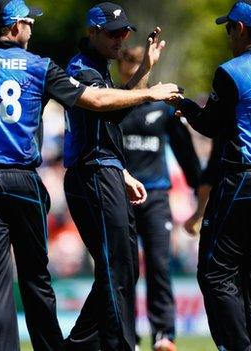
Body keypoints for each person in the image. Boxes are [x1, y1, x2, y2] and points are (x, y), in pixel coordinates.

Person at [0, 1, 180, 350]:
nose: (33, 29)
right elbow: (92, 101)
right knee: (36, 278)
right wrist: (149, 90)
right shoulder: (39, 66)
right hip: (23, 179)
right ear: (15, 26)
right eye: (29, 22)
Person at [170, 1, 251, 349]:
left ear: (239, 29)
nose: (228, 36)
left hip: (244, 179)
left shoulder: (231, 70)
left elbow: (210, 125)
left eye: (229, 28)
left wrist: (181, 104)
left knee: (214, 271)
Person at [61, 3, 168, 350]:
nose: (121, 39)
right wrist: (149, 91)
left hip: (106, 172)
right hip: (91, 174)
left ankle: (80, 344)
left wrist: (144, 72)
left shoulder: (101, 68)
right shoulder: (80, 67)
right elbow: (99, 103)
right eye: (113, 33)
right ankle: (115, 344)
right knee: (116, 267)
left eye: (124, 32)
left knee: (122, 268)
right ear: (92, 32)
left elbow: (112, 114)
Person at [118, 46, 202, 351]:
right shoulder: (114, 104)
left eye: (138, 60)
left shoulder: (164, 109)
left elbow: (186, 154)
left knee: (158, 266)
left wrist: (201, 189)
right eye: (127, 59)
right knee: (124, 269)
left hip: (155, 197)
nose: (131, 65)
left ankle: (164, 335)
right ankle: (127, 338)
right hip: (120, 197)